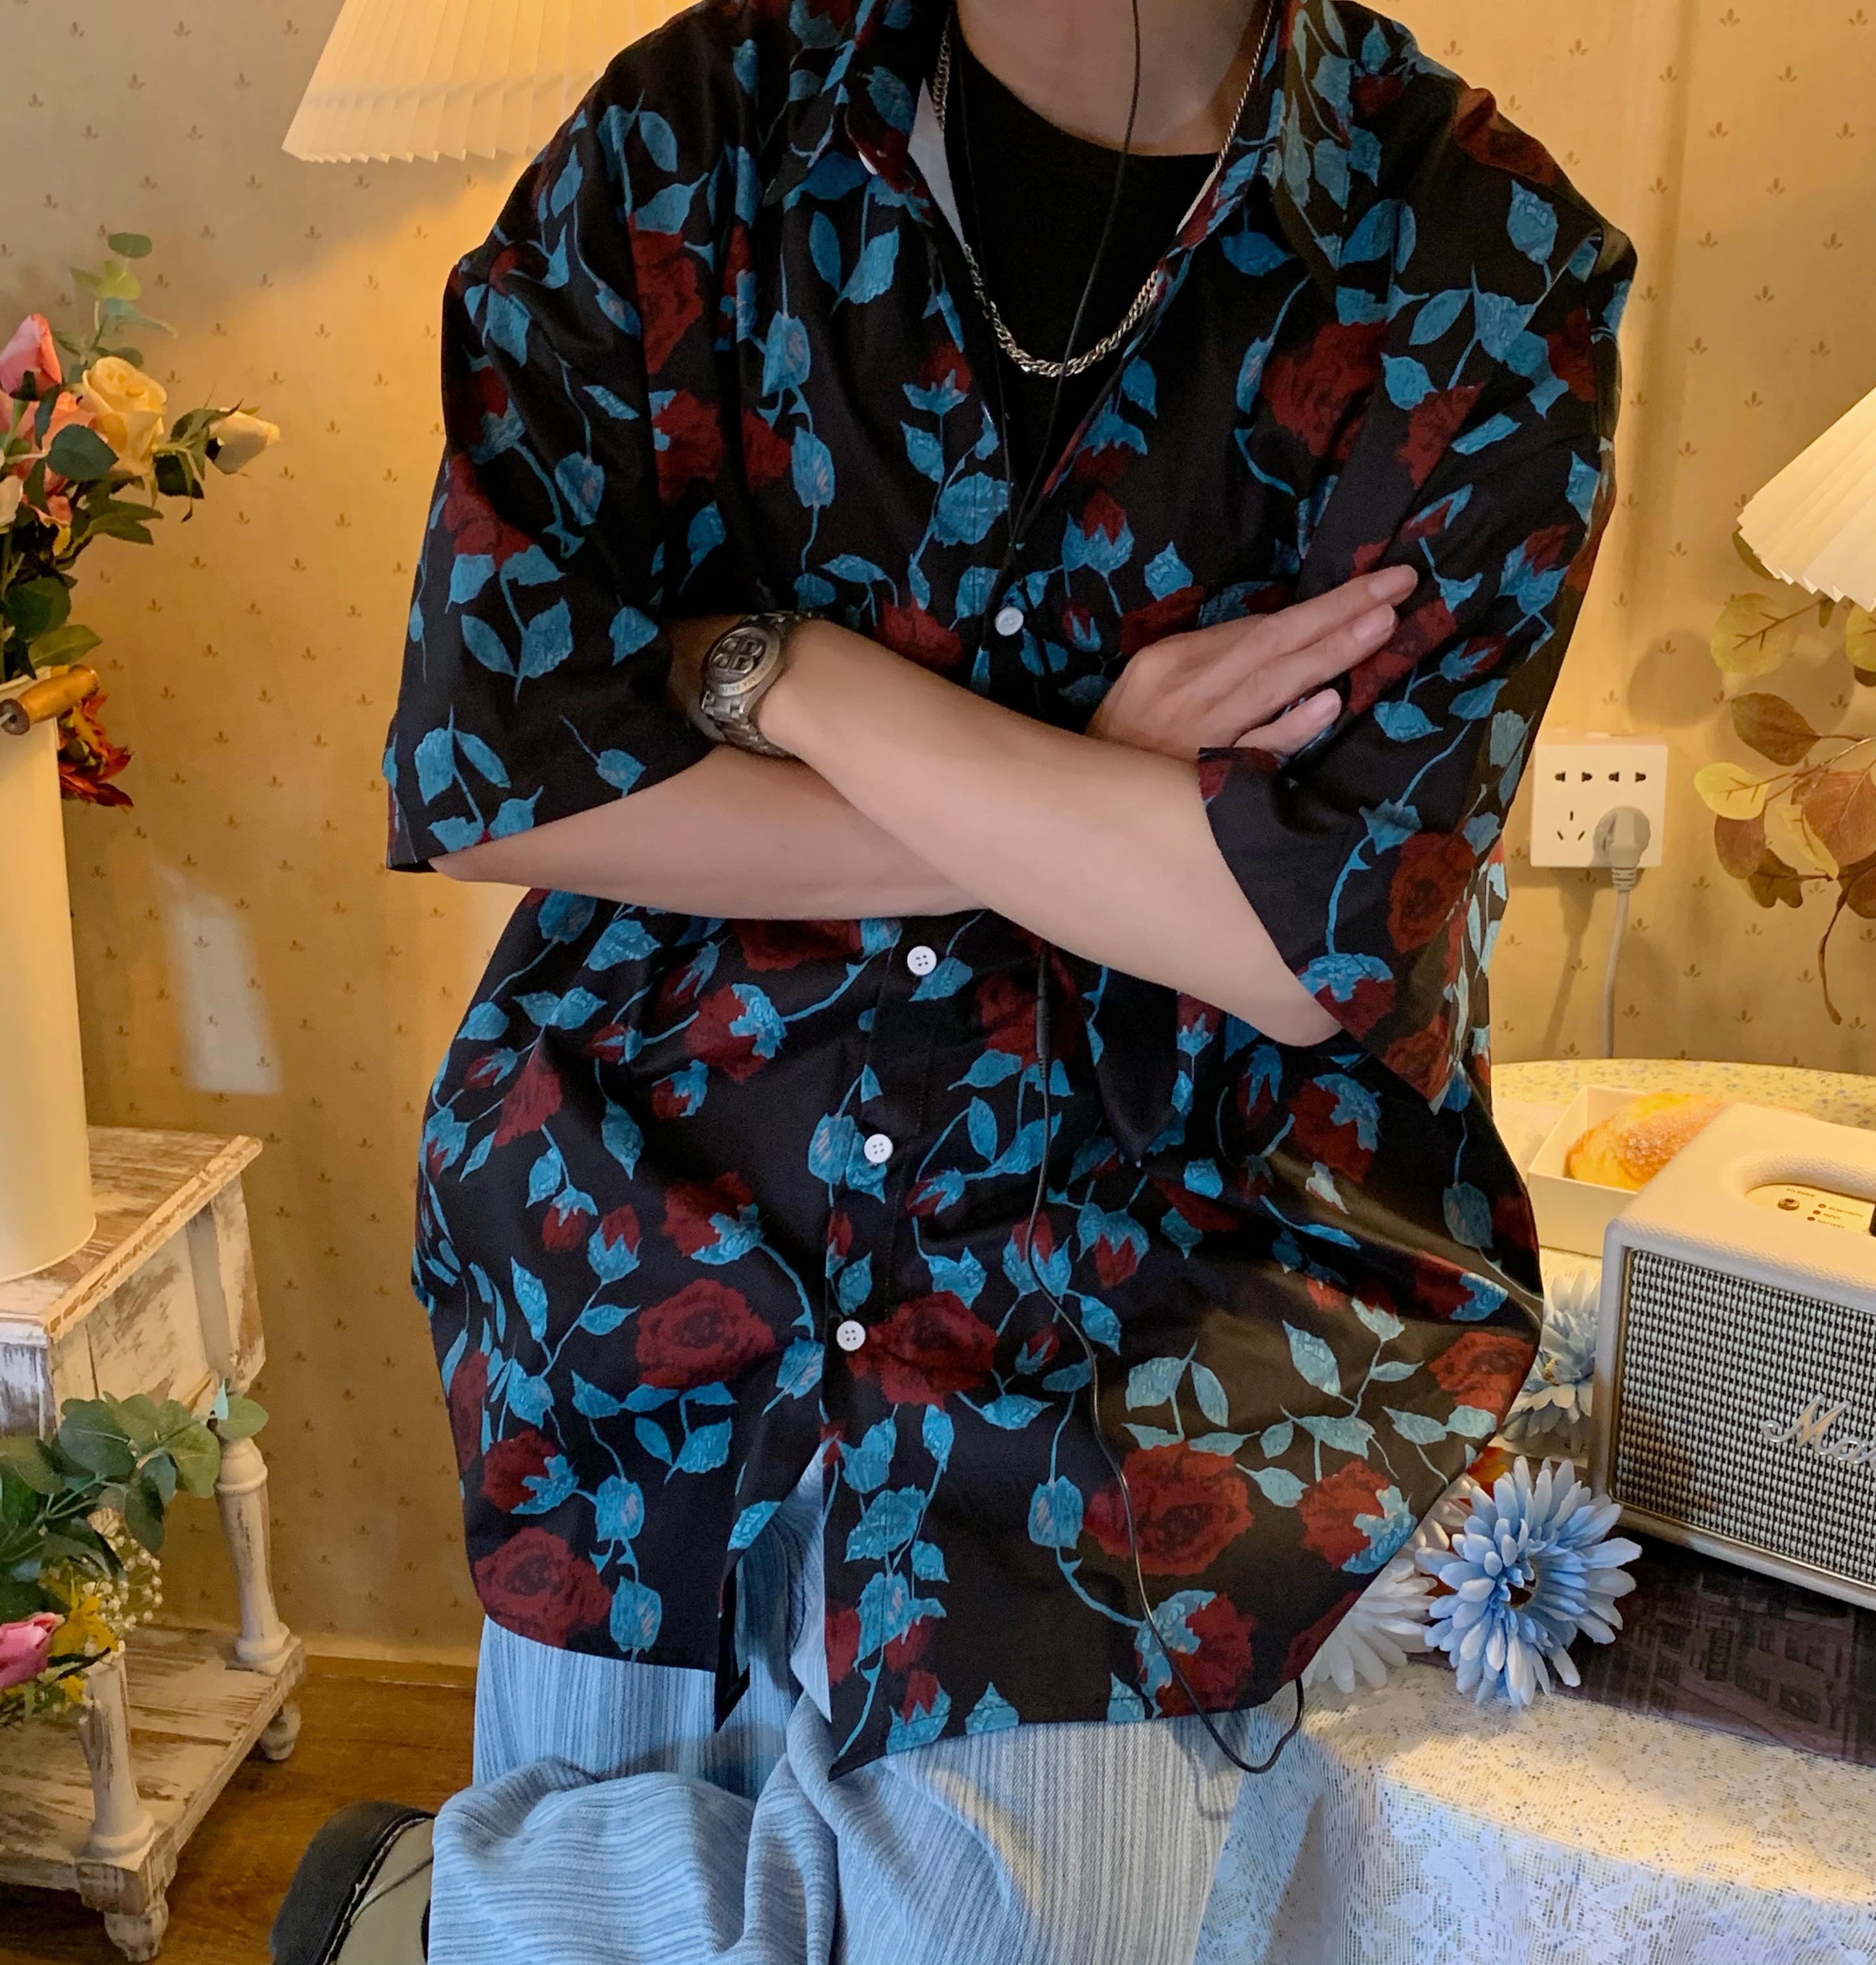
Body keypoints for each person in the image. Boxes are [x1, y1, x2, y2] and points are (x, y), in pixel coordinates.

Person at [274, 0, 1632, 1959]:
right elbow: (501, 768)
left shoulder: (1477, 259)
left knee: (990, 1931)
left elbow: (1292, 936)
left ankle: (417, 1910)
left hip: (1147, 1291)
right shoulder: (692, 135)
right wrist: (1075, 777)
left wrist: (780, 675)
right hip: (643, 1215)